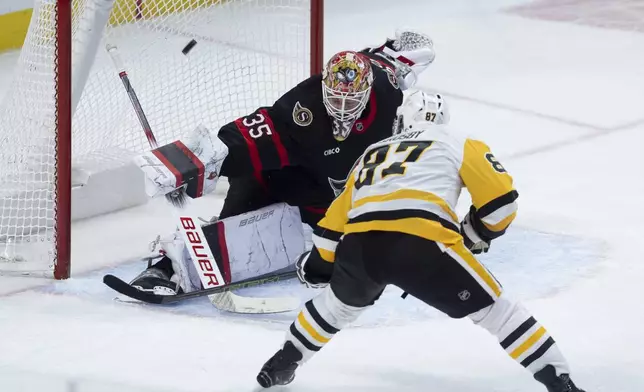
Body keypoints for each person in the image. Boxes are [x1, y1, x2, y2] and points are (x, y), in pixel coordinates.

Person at [255, 91, 586, 392]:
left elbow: (330, 231)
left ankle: (284, 362)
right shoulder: (457, 141)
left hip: (360, 246)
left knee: (335, 308)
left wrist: (317, 267)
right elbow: (502, 205)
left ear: (401, 120)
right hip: (420, 243)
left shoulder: (371, 153)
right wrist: (474, 233)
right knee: (498, 312)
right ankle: (560, 383)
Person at [128, 31, 449, 296]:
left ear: (367, 91)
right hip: (277, 180)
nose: (341, 108)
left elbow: (401, 52)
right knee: (237, 237)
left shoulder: (388, 88)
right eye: (335, 98)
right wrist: (190, 160)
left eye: (350, 101)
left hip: (325, 197)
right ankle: (166, 267)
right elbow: (250, 135)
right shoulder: (304, 111)